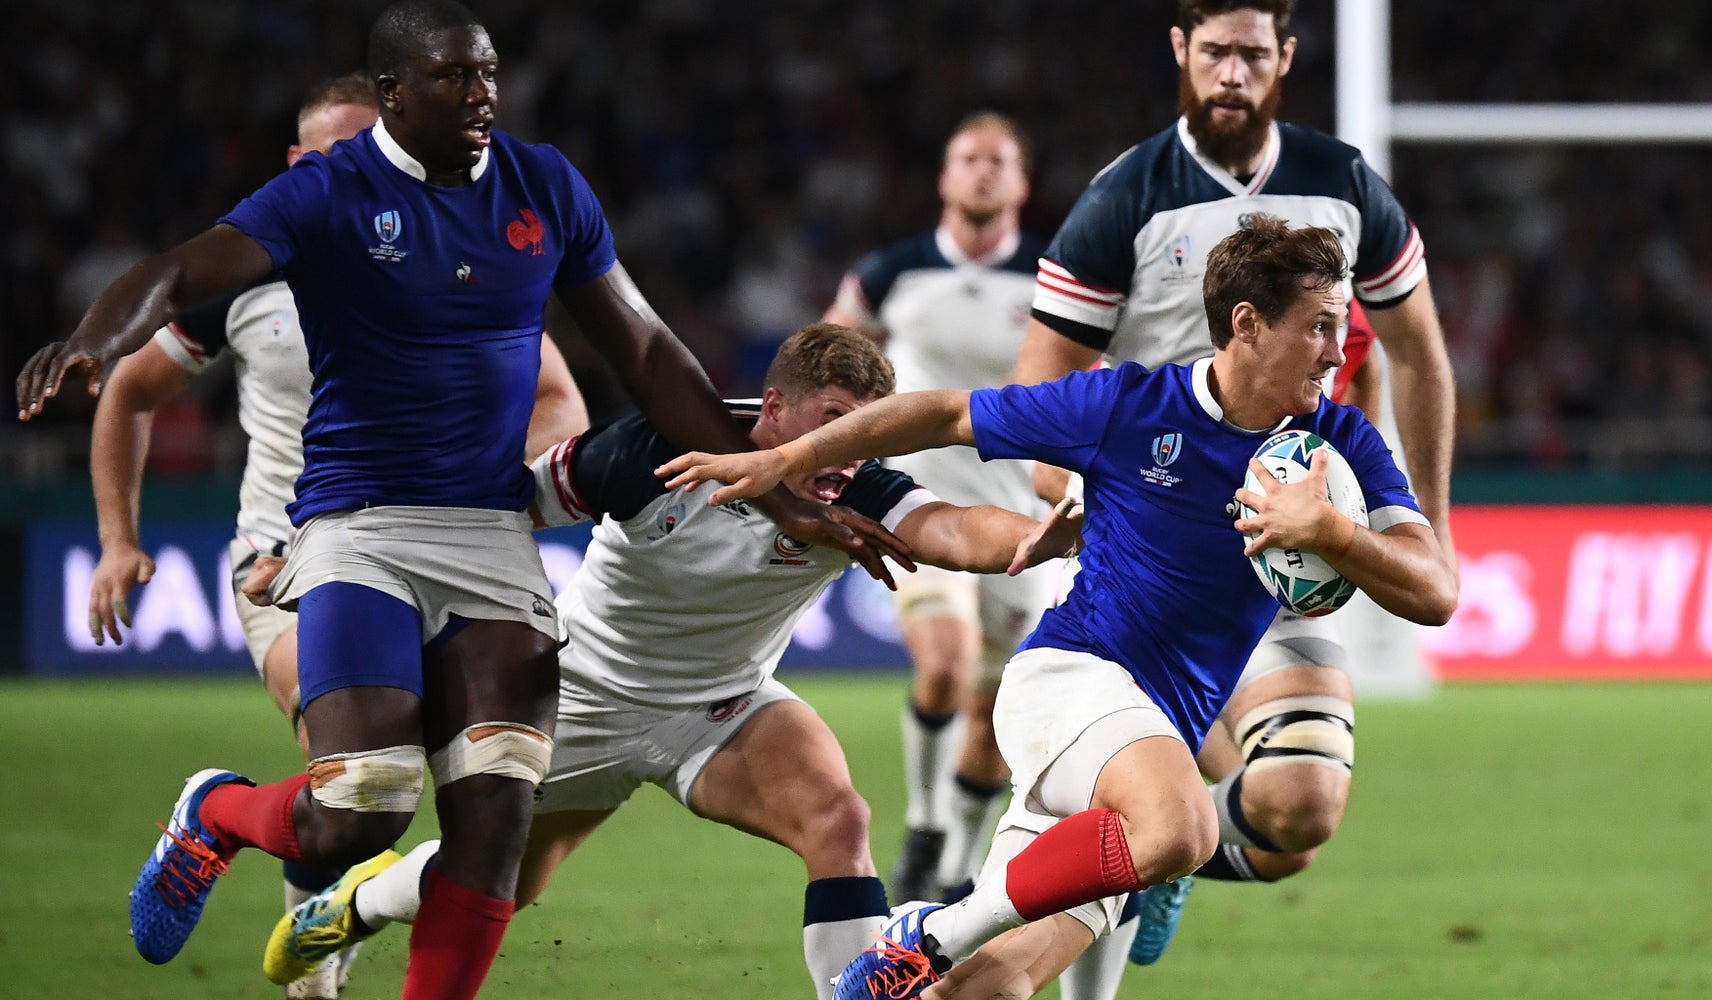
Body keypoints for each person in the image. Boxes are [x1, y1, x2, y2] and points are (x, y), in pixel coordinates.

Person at [14, 4, 907, 999]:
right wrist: (94, 337)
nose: (480, 94)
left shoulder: (543, 185)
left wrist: (776, 496)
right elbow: (183, 269)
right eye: (453, 77)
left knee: (495, 823)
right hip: (362, 525)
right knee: (364, 802)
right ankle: (215, 812)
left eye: (487, 73)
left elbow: (648, 352)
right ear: (394, 92)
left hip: (489, 531)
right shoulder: (328, 190)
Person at [662, 216, 1457, 1000]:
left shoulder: (1341, 443)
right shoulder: (1128, 405)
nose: (1337, 352)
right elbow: (946, 415)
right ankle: (930, 932)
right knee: (1183, 829)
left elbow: (1434, 591)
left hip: (1153, 736)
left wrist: (1331, 532)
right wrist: (789, 457)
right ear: (1247, 324)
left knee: (994, 987)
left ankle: (935, 953)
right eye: (1319, 327)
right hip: (1072, 682)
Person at [265, 323, 1082, 1000]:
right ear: (773, 409)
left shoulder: (857, 487)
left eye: (859, 430)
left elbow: (951, 528)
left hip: (724, 709)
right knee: (502, 881)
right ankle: (353, 907)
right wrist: (348, 553)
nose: (844, 451)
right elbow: (502, 507)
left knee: (839, 819)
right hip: (581, 698)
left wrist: (1043, 538)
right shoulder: (655, 449)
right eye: (831, 420)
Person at [83, 70, 589, 1000]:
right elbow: (131, 389)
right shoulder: (247, 274)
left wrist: (500, 488)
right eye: (343, 153)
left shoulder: (453, 256)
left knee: (481, 805)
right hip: (285, 560)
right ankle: (238, 846)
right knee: (358, 787)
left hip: (453, 545)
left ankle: (327, 920)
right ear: (296, 166)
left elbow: (558, 398)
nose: (369, 174)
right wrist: (119, 538)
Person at [1010, 0, 1457, 975]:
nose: (1231, 73)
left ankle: (1168, 848)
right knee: (1126, 798)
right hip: (1155, 549)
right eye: (1213, 51)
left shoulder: (1343, 184)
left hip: (1285, 536)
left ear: (1284, 57)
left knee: (1300, 808)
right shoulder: (1126, 196)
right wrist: (1085, 495)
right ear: (1181, 49)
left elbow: (1419, 354)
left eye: (1252, 53)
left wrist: (1426, 521)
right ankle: (1020, 901)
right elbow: (1041, 391)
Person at [822, 111, 1055, 904]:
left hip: (1019, 522)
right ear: (945, 177)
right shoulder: (891, 274)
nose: (983, 171)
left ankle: (955, 865)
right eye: (969, 158)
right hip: (916, 505)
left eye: (998, 160)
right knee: (945, 664)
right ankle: (924, 823)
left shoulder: (1055, 281)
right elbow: (826, 363)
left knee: (994, 715)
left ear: (1021, 182)